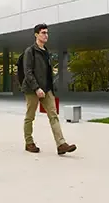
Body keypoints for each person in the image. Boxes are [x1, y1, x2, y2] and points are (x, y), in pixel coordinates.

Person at [21, 23, 77, 155]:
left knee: (54, 116)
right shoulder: (30, 51)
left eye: (47, 33)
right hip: (32, 89)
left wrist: (49, 89)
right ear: (36, 35)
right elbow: (28, 72)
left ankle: (61, 144)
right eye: (43, 33)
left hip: (47, 90)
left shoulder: (46, 52)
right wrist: (36, 88)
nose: (46, 35)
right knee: (30, 117)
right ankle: (29, 143)